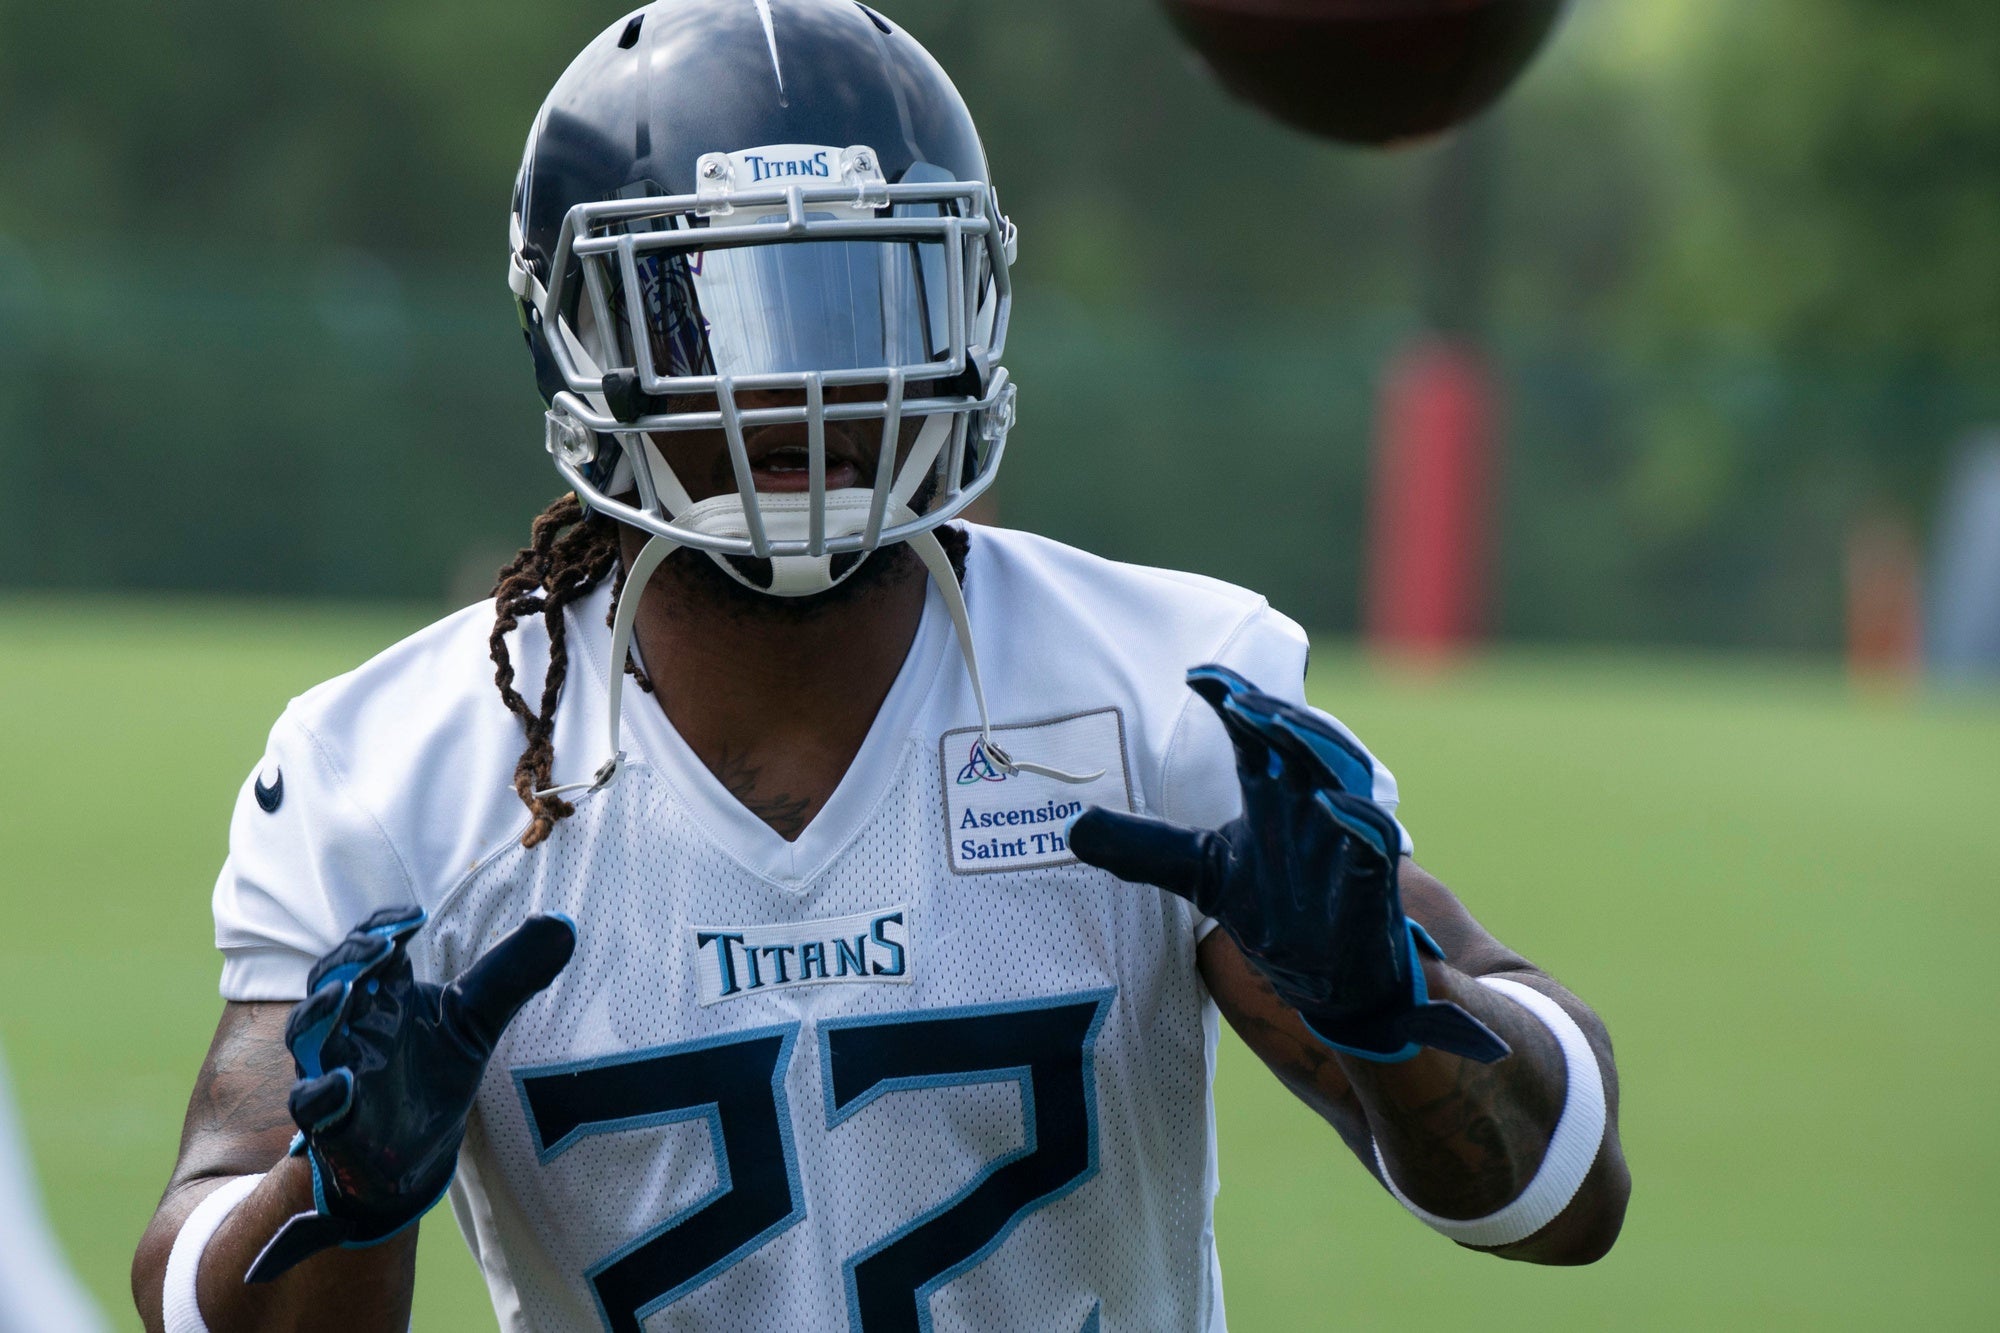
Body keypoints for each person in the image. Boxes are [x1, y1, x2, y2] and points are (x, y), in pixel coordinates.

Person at [132, 2, 1628, 1329]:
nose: (802, 381)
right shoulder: (394, 771)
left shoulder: (1165, 691)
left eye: (866, 301)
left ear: (966, 311)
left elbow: (1562, 1199)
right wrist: (336, 1188)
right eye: (713, 313)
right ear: (576, 339)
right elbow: (206, 1258)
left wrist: (1394, 1010)